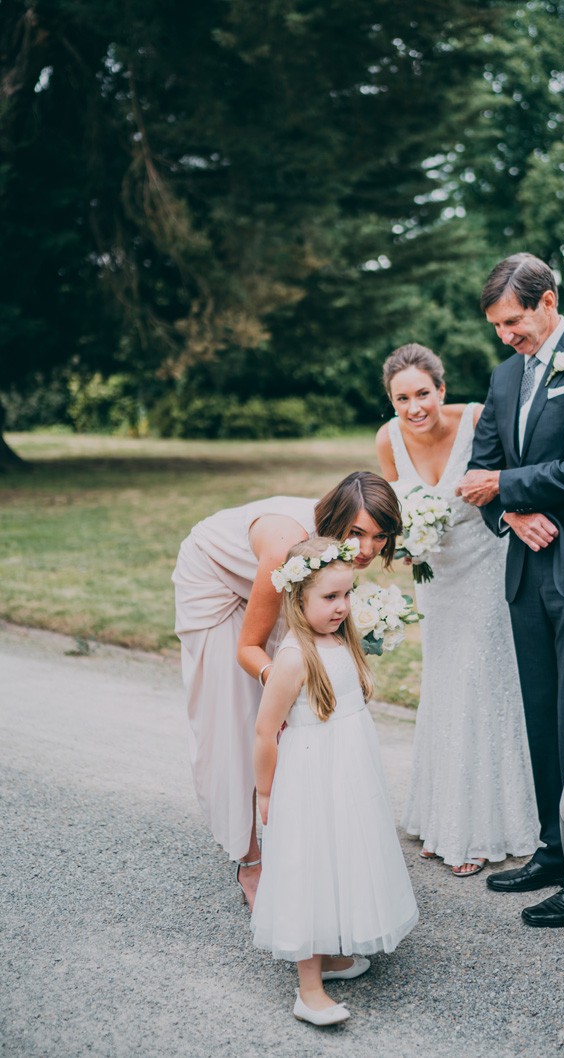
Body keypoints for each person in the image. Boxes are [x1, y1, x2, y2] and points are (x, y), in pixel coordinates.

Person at [457, 253, 564, 928]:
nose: (506, 336)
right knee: (538, 714)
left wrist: (504, 487)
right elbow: (481, 470)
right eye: (497, 326)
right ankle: (551, 850)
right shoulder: (504, 377)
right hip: (527, 570)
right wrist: (508, 511)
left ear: (548, 302)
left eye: (513, 321)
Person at [172, 472, 402, 909]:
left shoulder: (340, 551)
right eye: (356, 533)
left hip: (274, 584)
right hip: (216, 583)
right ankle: (251, 860)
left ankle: (297, 839)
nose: (368, 549)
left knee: (294, 722)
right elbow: (249, 648)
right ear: (335, 520)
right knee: (240, 717)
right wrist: (282, 682)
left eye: (380, 536)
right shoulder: (286, 546)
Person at [376, 343, 537, 876]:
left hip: (488, 569)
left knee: (482, 685)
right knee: (444, 686)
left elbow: (513, 481)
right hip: (437, 581)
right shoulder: (388, 438)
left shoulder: (477, 419)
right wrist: (399, 545)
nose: (414, 407)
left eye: (423, 393)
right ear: (391, 401)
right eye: (402, 398)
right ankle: (441, 814)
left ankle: (477, 832)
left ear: (442, 390)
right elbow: (390, 514)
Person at [250, 536, 418, 1025]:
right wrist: (265, 791)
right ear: (297, 598)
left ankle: (337, 955)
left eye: (347, 594)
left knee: (345, 853)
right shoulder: (293, 659)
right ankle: (308, 988)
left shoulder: (340, 641)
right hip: (308, 776)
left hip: (348, 772)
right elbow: (265, 731)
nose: (343, 606)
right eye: (329, 597)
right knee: (312, 863)